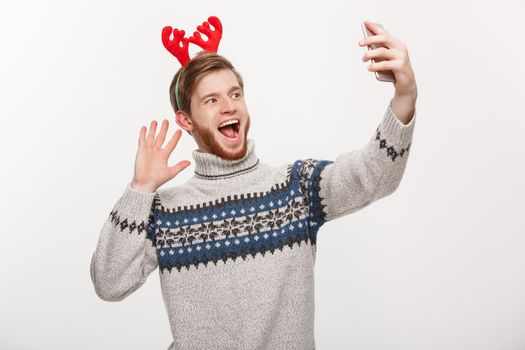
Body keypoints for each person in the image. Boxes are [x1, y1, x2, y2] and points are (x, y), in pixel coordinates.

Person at [90, 20, 417, 350]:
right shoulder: (166, 211)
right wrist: (140, 188)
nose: (229, 106)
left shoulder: (296, 189)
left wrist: (405, 94)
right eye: (211, 100)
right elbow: (109, 282)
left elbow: (375, 175)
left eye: (235, 94)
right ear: (185, 120)